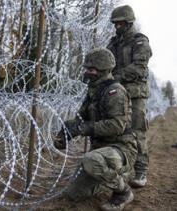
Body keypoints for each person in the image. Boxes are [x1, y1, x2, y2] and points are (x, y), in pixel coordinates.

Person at [54, 48, 137, 211]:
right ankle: (115, 176)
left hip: (121, 148)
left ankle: (123, 192)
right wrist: (66, 132)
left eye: (91, 70)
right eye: (87, 69)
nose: (87, 73)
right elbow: (80, 119)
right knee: (74, 193)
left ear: (103, 70)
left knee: (91, 160)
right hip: (100, 150)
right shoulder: (93, 91)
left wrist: (84, 128)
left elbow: (117, 125)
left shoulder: (115, 92)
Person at [107, 5, 152, 187]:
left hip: (134, 95)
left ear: (129, 22)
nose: (117, 26)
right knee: (115, 131)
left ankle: (140, 172)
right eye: (115, 23)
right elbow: (106, 61)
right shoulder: (114, 43)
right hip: (116, 94)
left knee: (137, 132)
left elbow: (140, 67)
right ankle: (117, 170)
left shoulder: (139, 42)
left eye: (120, 23)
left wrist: (116, 77)